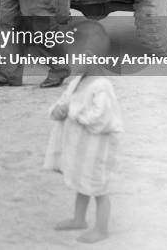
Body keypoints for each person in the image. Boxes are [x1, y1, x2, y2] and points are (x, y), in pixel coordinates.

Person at [44, 21, 123, 244]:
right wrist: (58, 110)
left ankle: (102, 228)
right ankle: (79, 219)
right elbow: (65, 102)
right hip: (82, 148)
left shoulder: (102, 87)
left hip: (96, 150)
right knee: (82, 183)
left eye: (71, 58)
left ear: (88, 56)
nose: (68, 63)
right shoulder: (78, 81)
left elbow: (103, 118)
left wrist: (75, 114)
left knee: (98, 188)